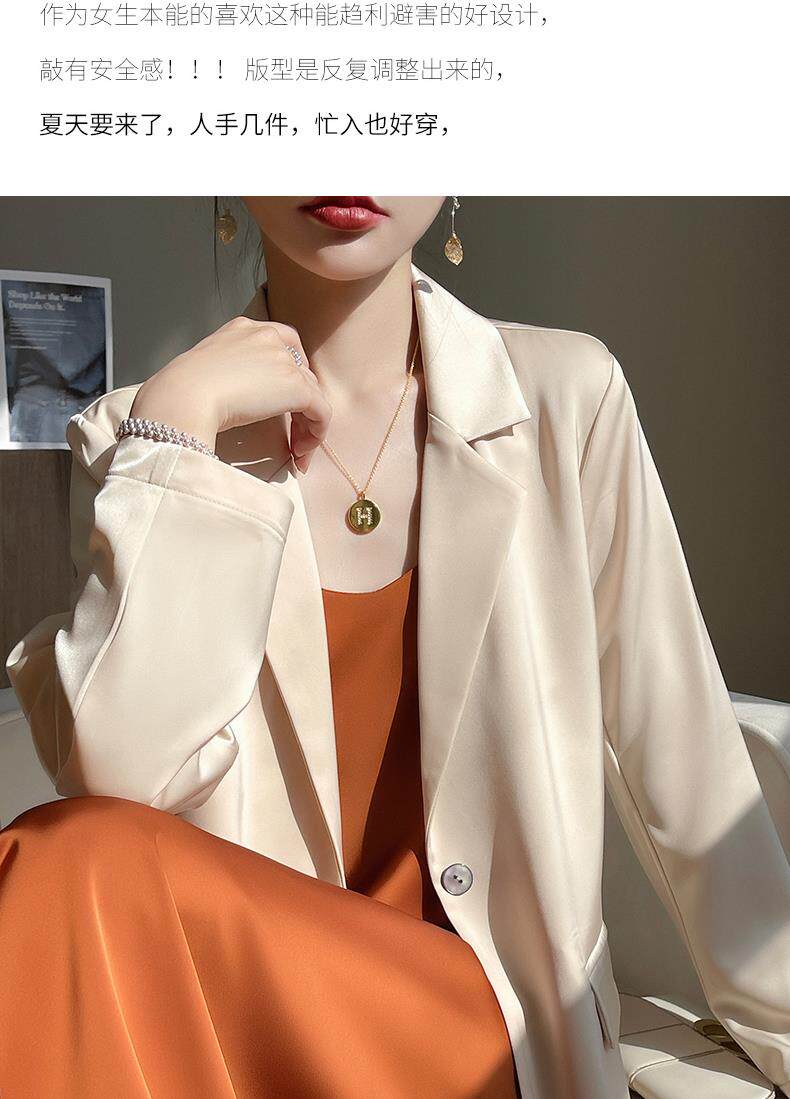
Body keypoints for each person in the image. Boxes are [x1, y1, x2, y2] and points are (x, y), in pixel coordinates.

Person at [2, 196, 789, 1099]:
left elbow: (688, 767)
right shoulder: (142, 434)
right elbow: (119, 785)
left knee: (53, 863)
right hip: (245, 1036)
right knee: (65, 858)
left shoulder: (566, 397)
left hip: (486, 1031)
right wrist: (180, 429)